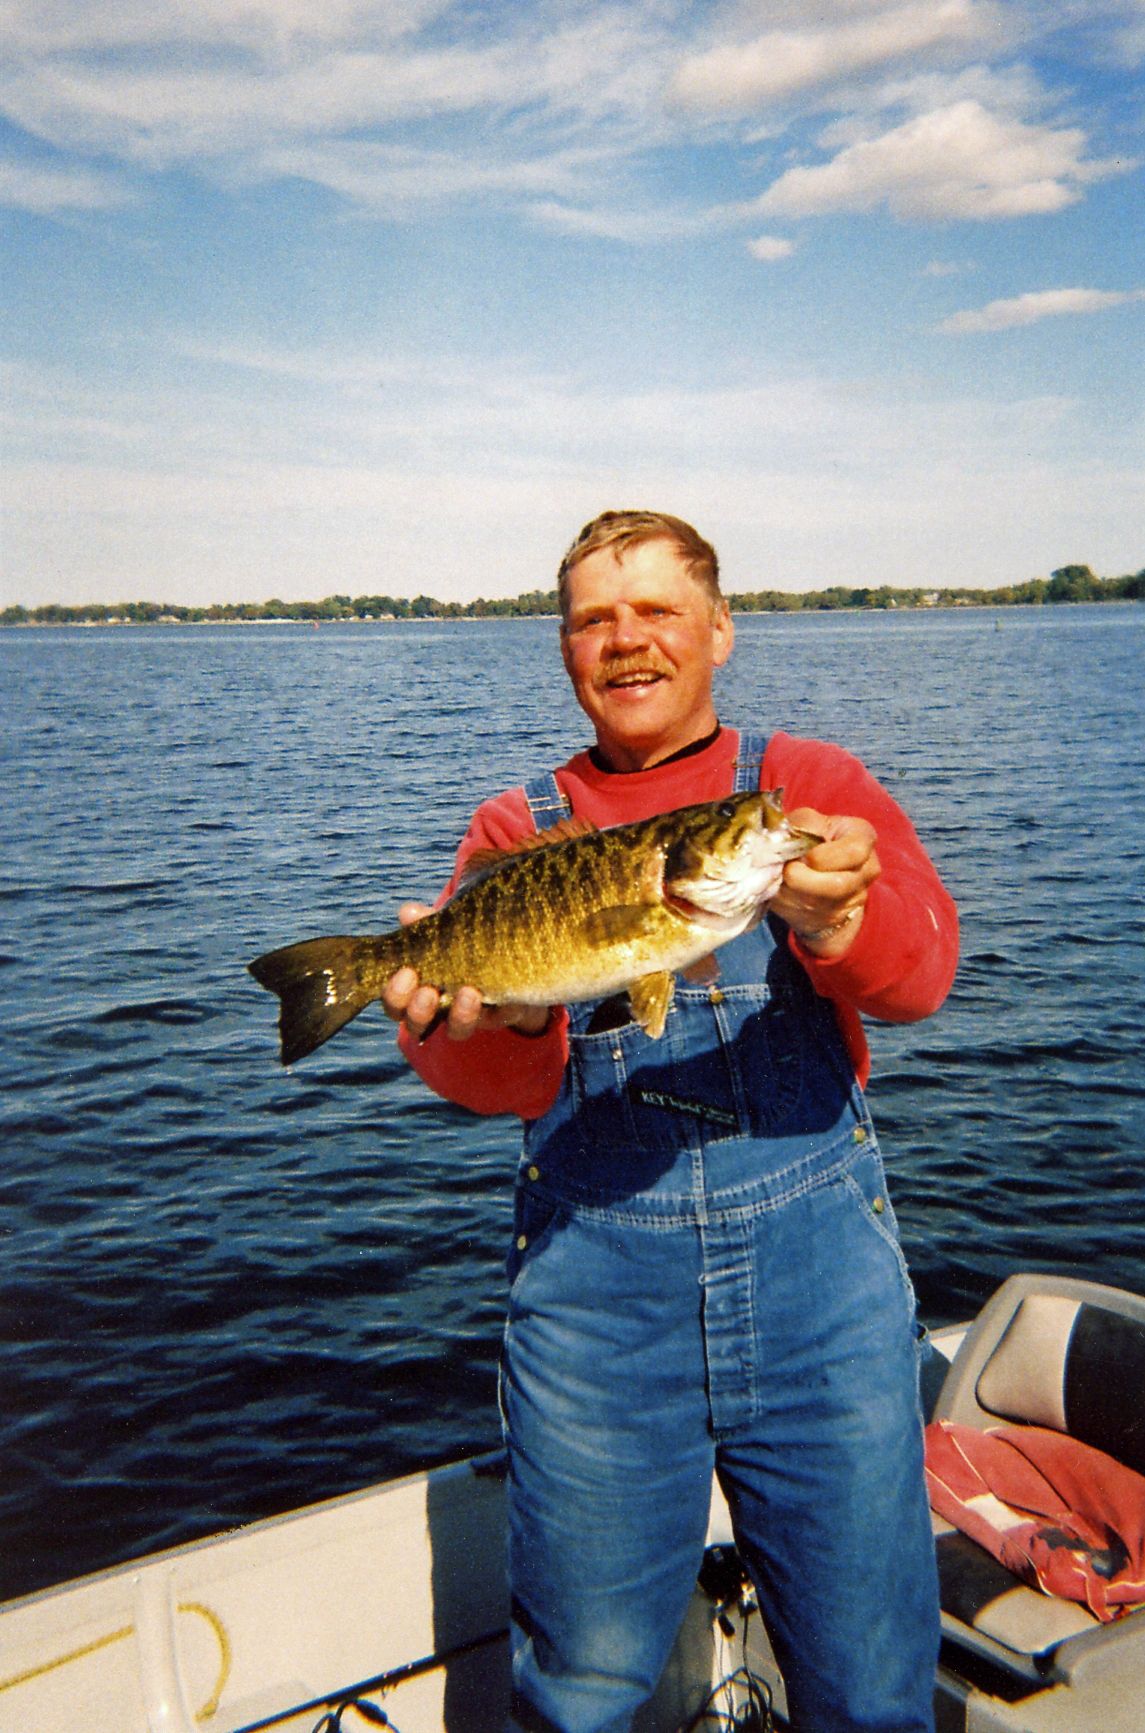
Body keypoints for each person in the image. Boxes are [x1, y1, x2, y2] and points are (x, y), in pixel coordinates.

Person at [383, 510, 958, 1733]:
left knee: (867, 1683)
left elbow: (918, 982)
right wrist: (477, 1016)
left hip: (826, 1300)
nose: (625, 639)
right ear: (561, 650)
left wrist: (834, 919)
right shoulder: (511, 831)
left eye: (655, 610)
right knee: (581, 1686)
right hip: (597, 1302)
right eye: (593, 617)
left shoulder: (811, 789)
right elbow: (490, 1086)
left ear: (719, 630)